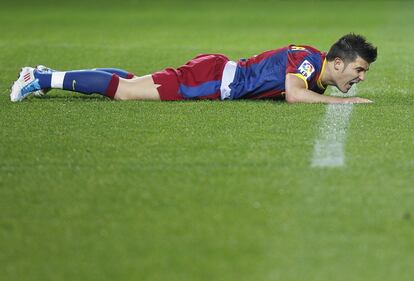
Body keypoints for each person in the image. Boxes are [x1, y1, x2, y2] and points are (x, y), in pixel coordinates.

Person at [10, 33, 377, 104]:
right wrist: (345, 103)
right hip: (213, 79)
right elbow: (295, 96)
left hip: (217, 73)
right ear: (339, 62)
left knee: (133, 81)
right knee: (126, 91)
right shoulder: (310, 58)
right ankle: (39, 78)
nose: (360, 78)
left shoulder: (317, 73)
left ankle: (50, 73)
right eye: (359, 70)